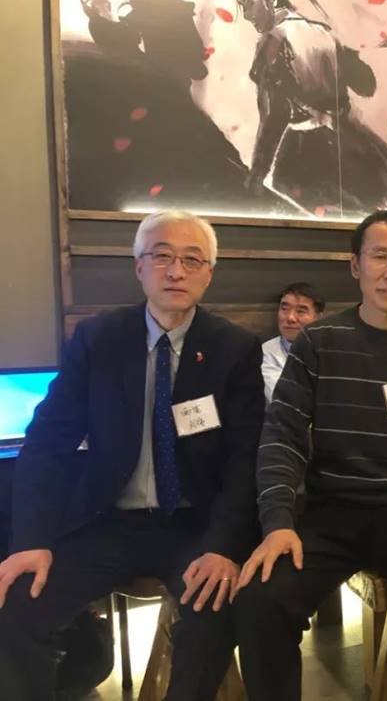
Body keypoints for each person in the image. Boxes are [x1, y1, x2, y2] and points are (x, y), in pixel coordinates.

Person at [0, 210, 266, 700]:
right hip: (107, 521)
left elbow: (244, 457)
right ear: (139, 267)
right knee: (19, 601)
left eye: (192, 260)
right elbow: (48, 441)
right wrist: (30, 540)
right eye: (161, 256)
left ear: (209, 273)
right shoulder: (99, 338)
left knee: (213, 610)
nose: (176, 271)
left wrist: (223, 545)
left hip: (192, 525)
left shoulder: (234, 348)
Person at [234, 210, 387, 701]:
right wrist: (278, 522)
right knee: (261, 602)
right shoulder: (319, 341)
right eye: (380, 257)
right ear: (355, 265)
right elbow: (282, 436)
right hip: (331, 512)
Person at [261, 282, 325, 403]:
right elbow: (283, 398)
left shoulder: (332, 348)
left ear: (318, 318)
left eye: (300, 311)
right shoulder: (266, 352)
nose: (290, 318)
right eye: (284, 309)